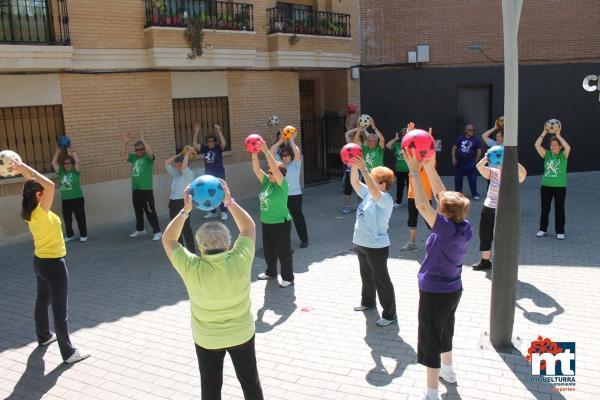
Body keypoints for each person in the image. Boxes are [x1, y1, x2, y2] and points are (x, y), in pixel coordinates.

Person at [161, 181, 263, 400]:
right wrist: (229, 202)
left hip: (207, 340)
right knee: (250, 382)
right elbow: (248, 228)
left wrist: (185, 211)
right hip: (242, 334)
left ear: (200, 247)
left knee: (210, 387)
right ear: (228, 244)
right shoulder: (241, 259)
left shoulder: (192, 267)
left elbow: (168, 239)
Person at [403, 148, 472, 400]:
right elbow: (443, 195)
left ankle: (431, 393)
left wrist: (414, 171)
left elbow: (422, 204)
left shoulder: (443, 229)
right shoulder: (464, 226)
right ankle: (449, 371)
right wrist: (429, 165)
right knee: (446, 328)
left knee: (431, 338)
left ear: (444, 213)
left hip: (435, 292)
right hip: (453, 290)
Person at [13, 158, 90, 364]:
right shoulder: (41, 211)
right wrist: (24, 168)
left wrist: (23, 171)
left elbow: (34, 186)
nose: (47, 193)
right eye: (42, 192)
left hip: (40, 263)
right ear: (39, 195)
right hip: (54, 265)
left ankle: (44, 336)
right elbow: (51, 185)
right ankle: (68, 353)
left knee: (42, 301)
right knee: (59, 310)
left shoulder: (29, 212)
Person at [349, 156, 397, 327]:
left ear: (383, 184)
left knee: (381, 279)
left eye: (375, 181)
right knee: (366, 275)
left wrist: (364, 169)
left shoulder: (384, 199)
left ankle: (390, 315)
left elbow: (375, 192)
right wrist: (354, 165)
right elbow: (355, 182)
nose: (370, 183)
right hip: (361, 242)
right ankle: (368, 302)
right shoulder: (369, 194)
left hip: (377, 246)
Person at [471, 155, 527, 270]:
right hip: (488, 208)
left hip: (505, 210)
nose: (501, 164)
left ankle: (504, 262)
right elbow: (479, 167)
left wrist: (513, 160)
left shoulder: (513, 174)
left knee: (503, 236)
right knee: (485, 235)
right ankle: (485, 261)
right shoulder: (494, 172)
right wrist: (486, 158)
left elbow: (523, 175)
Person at [252, 140, 294, 288]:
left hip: (280, 222)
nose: (269, 173)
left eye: (271, 172)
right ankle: (271, 272)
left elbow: (275, 169)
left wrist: (266, 152)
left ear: (278, 175)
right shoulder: (267, 182)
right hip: (266, 222)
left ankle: (288, 277)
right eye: (269, 171)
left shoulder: (283, 185)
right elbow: (256, 170)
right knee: (268, 250)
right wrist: (254, 154)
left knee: (283, 251)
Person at [270, 131, 309, 248]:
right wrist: (281, 140)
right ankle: (281, 241)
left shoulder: (295, 164)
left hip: (294, 195)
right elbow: (271, 152)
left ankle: (304, 239)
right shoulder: (279, 164)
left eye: (287, 155)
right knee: (281, 219)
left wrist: (291, 140)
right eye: (283, 155)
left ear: (291, 156)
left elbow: (297, 153)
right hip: (281, 195)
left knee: (298, 217)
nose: (284, 157)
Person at [121, 132, 162, 240]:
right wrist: (125, 143)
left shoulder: (148, 158)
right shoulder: (134, 157)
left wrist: (144, 141)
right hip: (136, 188)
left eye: (140, 149)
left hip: (146, 189)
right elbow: (123, 155)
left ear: (144, 149)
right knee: (138, 210)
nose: (138, 151)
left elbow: (151, 153)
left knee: (150, 211)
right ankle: (140, 229)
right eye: (136, 150)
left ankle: (157, 231)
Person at [534, 127, 571, 240]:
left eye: (556, 145)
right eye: (552, 145)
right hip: (546, 186)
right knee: (545, 208)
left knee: (559, 209)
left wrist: (558, 135)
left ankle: (560, 231)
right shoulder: (547, 154)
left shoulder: (563, 155)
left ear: (560, 147)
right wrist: (544, 132)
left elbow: (568, 147)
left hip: (560, 187)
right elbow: (537, 145)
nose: (553, 147)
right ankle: (543, 229)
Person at [193, 122, 229, 221]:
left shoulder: (218, 148)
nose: (210, 142)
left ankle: (224, 212)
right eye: (208, 141)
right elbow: (195, 145)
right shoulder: (205, 148)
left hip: (219, 173)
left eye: (212, 141)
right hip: (208, 176)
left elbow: (224, 143)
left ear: (214, 141)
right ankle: (212, 212)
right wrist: (196, 132)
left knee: (221, 192)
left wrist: (218, 130)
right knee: (209, 193)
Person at [51, 146, 87, 242]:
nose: (66, 165)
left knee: (80, 218)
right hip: (66, 200)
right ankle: (70, 235)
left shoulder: (76, 172)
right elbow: (53, 163)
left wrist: (73, 151)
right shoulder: (61, 172)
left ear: (72, 164)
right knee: (67, 219)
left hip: (77, 199)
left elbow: (78, 161)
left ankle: (83, 235)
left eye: (69, 163)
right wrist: (58, 150)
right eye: (65, 163)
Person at [164, 148, 196, 252]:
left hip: (183, 202)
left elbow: (184, 166)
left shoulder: (189, 174)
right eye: (176, 166)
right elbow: (166, 163)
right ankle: (180, 250)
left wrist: (186, 154)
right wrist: (179, 154)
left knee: (186, 228)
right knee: (175, 227)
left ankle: (192, 251)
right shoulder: (176, 174)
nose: (177, 168)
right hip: (173, 203)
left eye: (179, 166)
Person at [452, 124, 482, 200]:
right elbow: (454, 148)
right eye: (470, 130)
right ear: (466, 130)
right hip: (460, 162)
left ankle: (475, 194)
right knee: (458, 180)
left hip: (470, 162)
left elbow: (479, 150)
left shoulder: (476, 139)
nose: (472, 131)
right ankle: (458, 194)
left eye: (473, 130)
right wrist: (453, 158)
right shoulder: (460, 138)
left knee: (472, 179)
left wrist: (476, 160)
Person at [341, 122, 366, 214]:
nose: (356, 138)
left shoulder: (364, 145)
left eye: (358, 136)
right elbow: (346, 134)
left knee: (360, 189)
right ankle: (347, 207)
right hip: (350, 170)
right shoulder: (350, 145)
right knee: (347, 189)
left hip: (360, 169)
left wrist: (364, 129)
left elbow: (369, 136)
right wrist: (358, 129)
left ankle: (361, 206)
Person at [386, 123, 412, 208]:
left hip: (410, 170)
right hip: (399, 170)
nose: (405, 136)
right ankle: (398, 202)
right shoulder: (397, 144)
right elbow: (388, 145)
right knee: (400, 187)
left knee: (410, 187)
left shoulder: (411, 145)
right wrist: (395, 138)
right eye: (403, 134)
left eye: (406, 134)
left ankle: (411, 202)